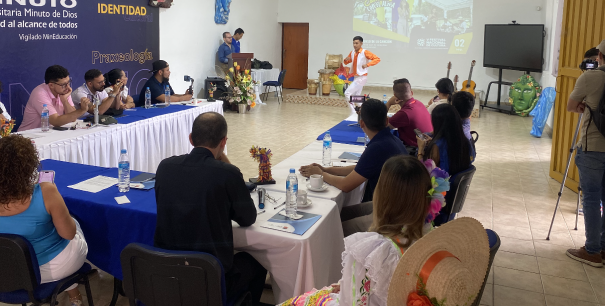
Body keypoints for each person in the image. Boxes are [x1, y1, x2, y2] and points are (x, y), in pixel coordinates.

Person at [280, 156, 440, 306]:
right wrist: (346, 285)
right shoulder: (432, 236)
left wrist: (344, 288)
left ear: (382, 197)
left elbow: (351, 302)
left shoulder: (374, 252)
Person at [0, 135, 89, 306]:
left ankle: (73, 291)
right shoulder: (46, 192)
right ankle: (75, 290)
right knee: (74, 222)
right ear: (28, 168)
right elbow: (68, 234)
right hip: (45, 270)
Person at [154, 112, 266, 305]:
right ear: (224, 142)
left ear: (190, 139)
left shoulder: (165, 167)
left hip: (167, 271)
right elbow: (248, 218)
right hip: (210, 277)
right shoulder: (227, 174)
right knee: (256, 262)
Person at [300, 99, 407, 236]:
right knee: (333, 216)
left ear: (361, 123)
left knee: (331, 231)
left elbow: (346, 185)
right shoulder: (390, 139)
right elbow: (360, 168)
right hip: (393, 206)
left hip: (392, 217)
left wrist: (320, 174)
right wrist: (327, 169)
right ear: (387, 121)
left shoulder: (377, 147)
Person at [565, 37, 605, 268]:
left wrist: (586, 107)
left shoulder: (590, 77)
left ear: (599, 57)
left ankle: (591, 250)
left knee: (591, 198)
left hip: (593, 146)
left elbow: (572, 106)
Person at [20, 65, 90, 131]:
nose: (68, 87)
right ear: (51, 85)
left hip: (50, 132)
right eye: (63, 85)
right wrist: (82, 110)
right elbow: (56, 121)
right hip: (29, 136)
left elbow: (73, 119)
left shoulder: (63, 91)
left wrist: (64, 100)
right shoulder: (40, 93)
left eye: (68, 83)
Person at [417, 104, 473, 175]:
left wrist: (420, 149)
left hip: (439, 184)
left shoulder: (437, 146)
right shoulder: (465, 140)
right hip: (452, 180)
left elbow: (424, 173)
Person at [386, 78, 433, 147]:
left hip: (416, 150)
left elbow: (381, 126)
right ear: (411, 92)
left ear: (395, 95)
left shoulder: (404, 113)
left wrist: (389, 103)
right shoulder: (419, 103)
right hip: (429, 146)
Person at [343, 36, 380, 106]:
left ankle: (354, 111)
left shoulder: (365, 52)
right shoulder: (352, 52)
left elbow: (377, 59)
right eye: (353, 43)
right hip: (356, 77)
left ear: (361, 44)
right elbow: (347, 62)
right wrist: (346, 59)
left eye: (357, 43)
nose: (354, 45)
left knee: (347, 93)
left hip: (362, 77)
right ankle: (365, 108)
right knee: (356, 97)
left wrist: (368, 64)